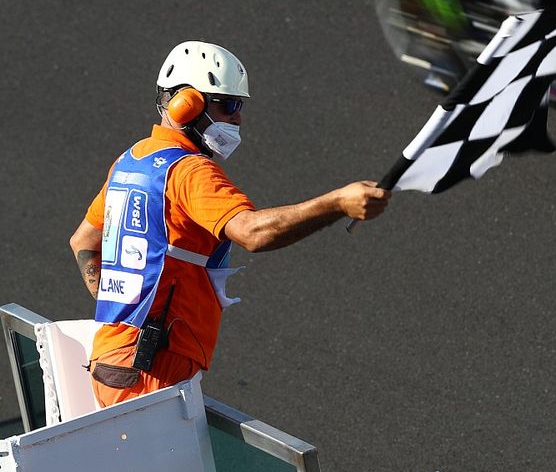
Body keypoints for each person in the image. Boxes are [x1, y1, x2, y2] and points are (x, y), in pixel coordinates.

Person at [69, 40, 391, 407]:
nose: (238, 117)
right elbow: (253, 232)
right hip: (151, 372)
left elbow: (83, 240)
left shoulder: (133, 160)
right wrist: (336, 203)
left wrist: (120, 312)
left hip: (117, 361)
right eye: (229, 105)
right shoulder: (189, 171)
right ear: (186, 104)